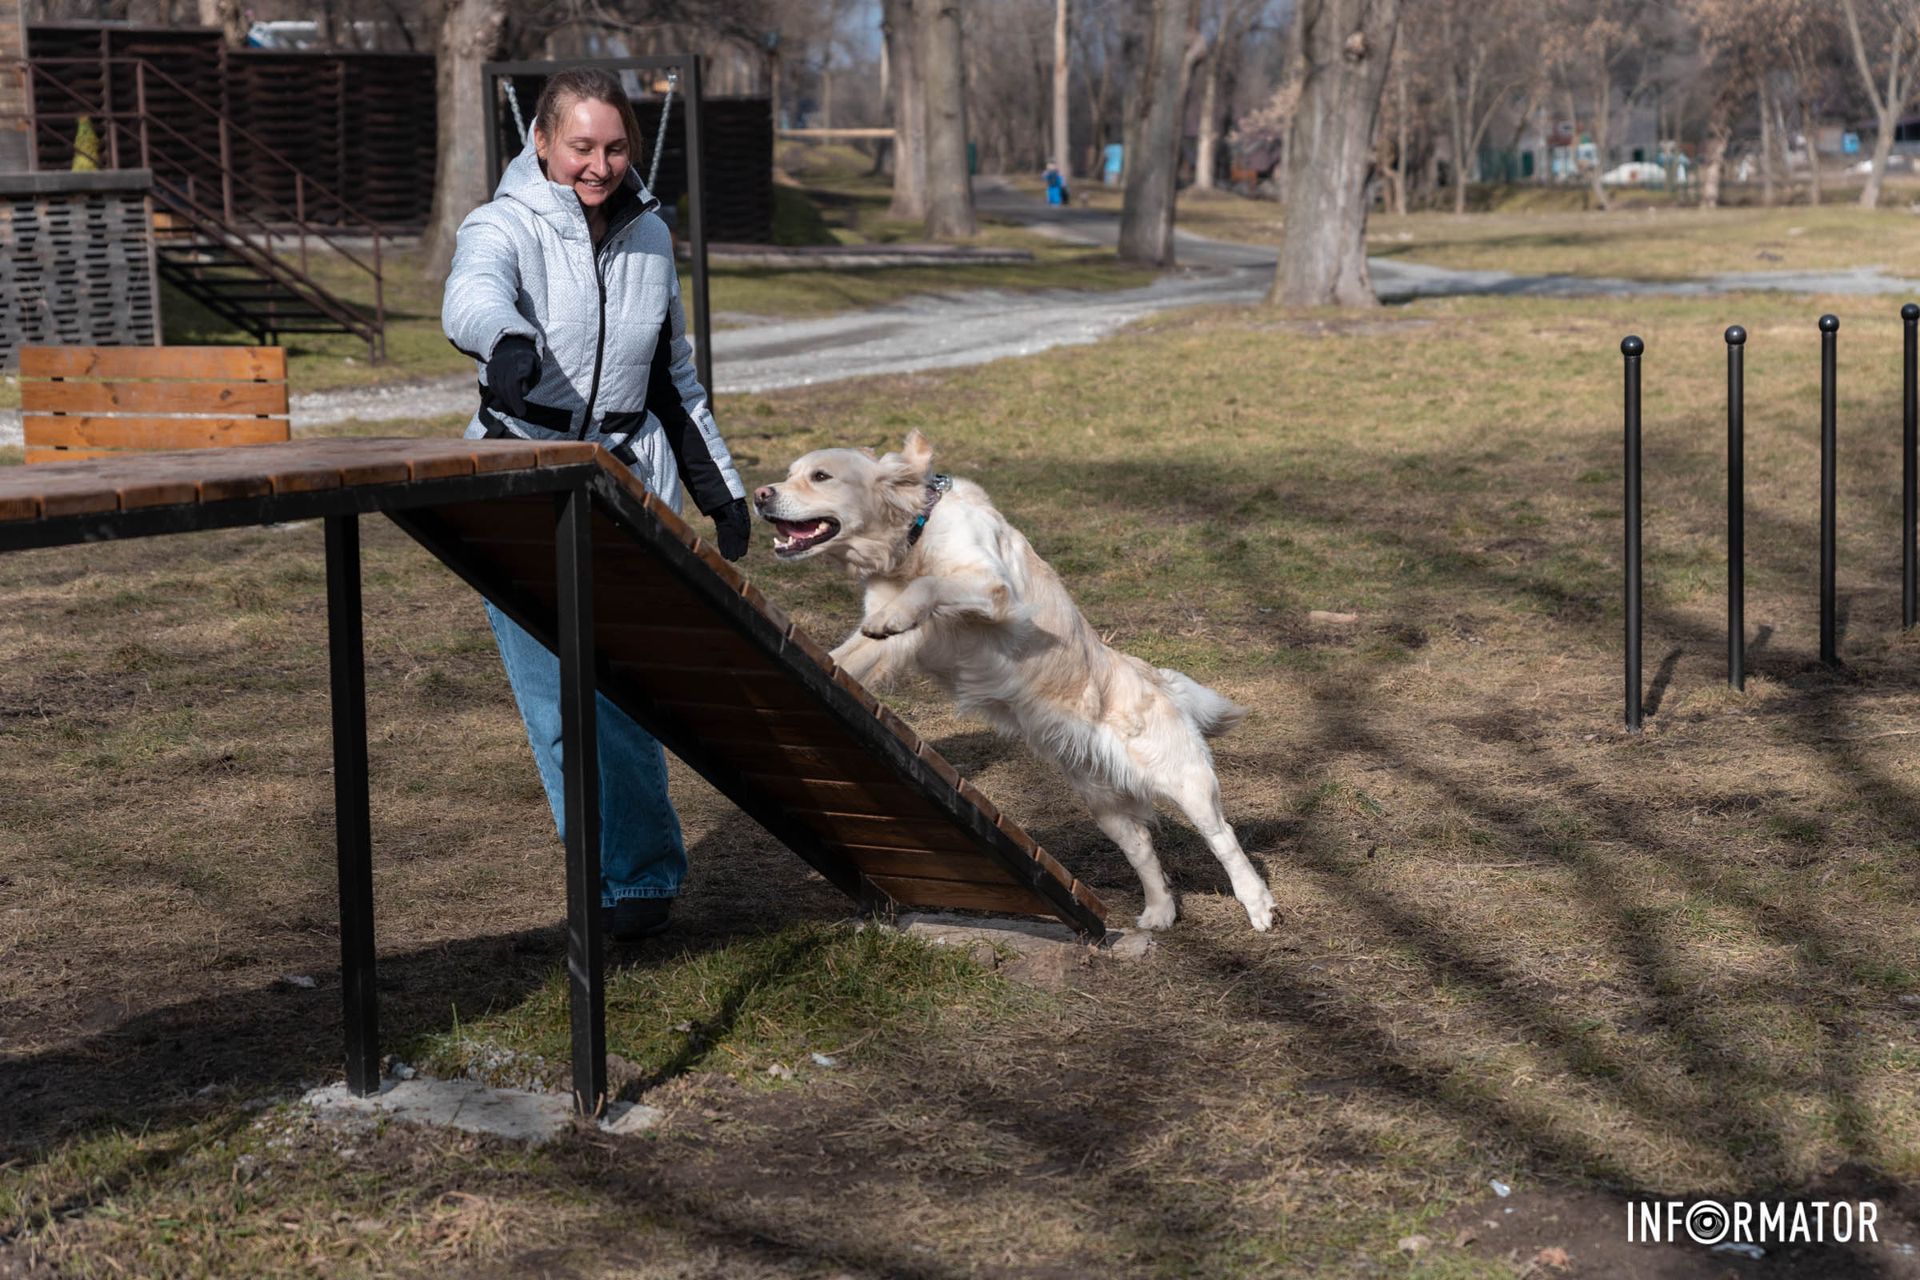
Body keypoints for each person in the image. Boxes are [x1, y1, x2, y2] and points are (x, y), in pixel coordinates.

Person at [442, 66, 750, 943]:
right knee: (557, 701)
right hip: (522, 478)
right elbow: (473, 293)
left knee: (625, 688)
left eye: (615, 146)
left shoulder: (651, 236)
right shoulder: (500, 224)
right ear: (541, 141)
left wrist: (718, 488)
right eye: (581, 145)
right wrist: (502, 338)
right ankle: (614, 883)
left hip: (628, 483)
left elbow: (671, 375)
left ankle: (643, 879)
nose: (600, 163)